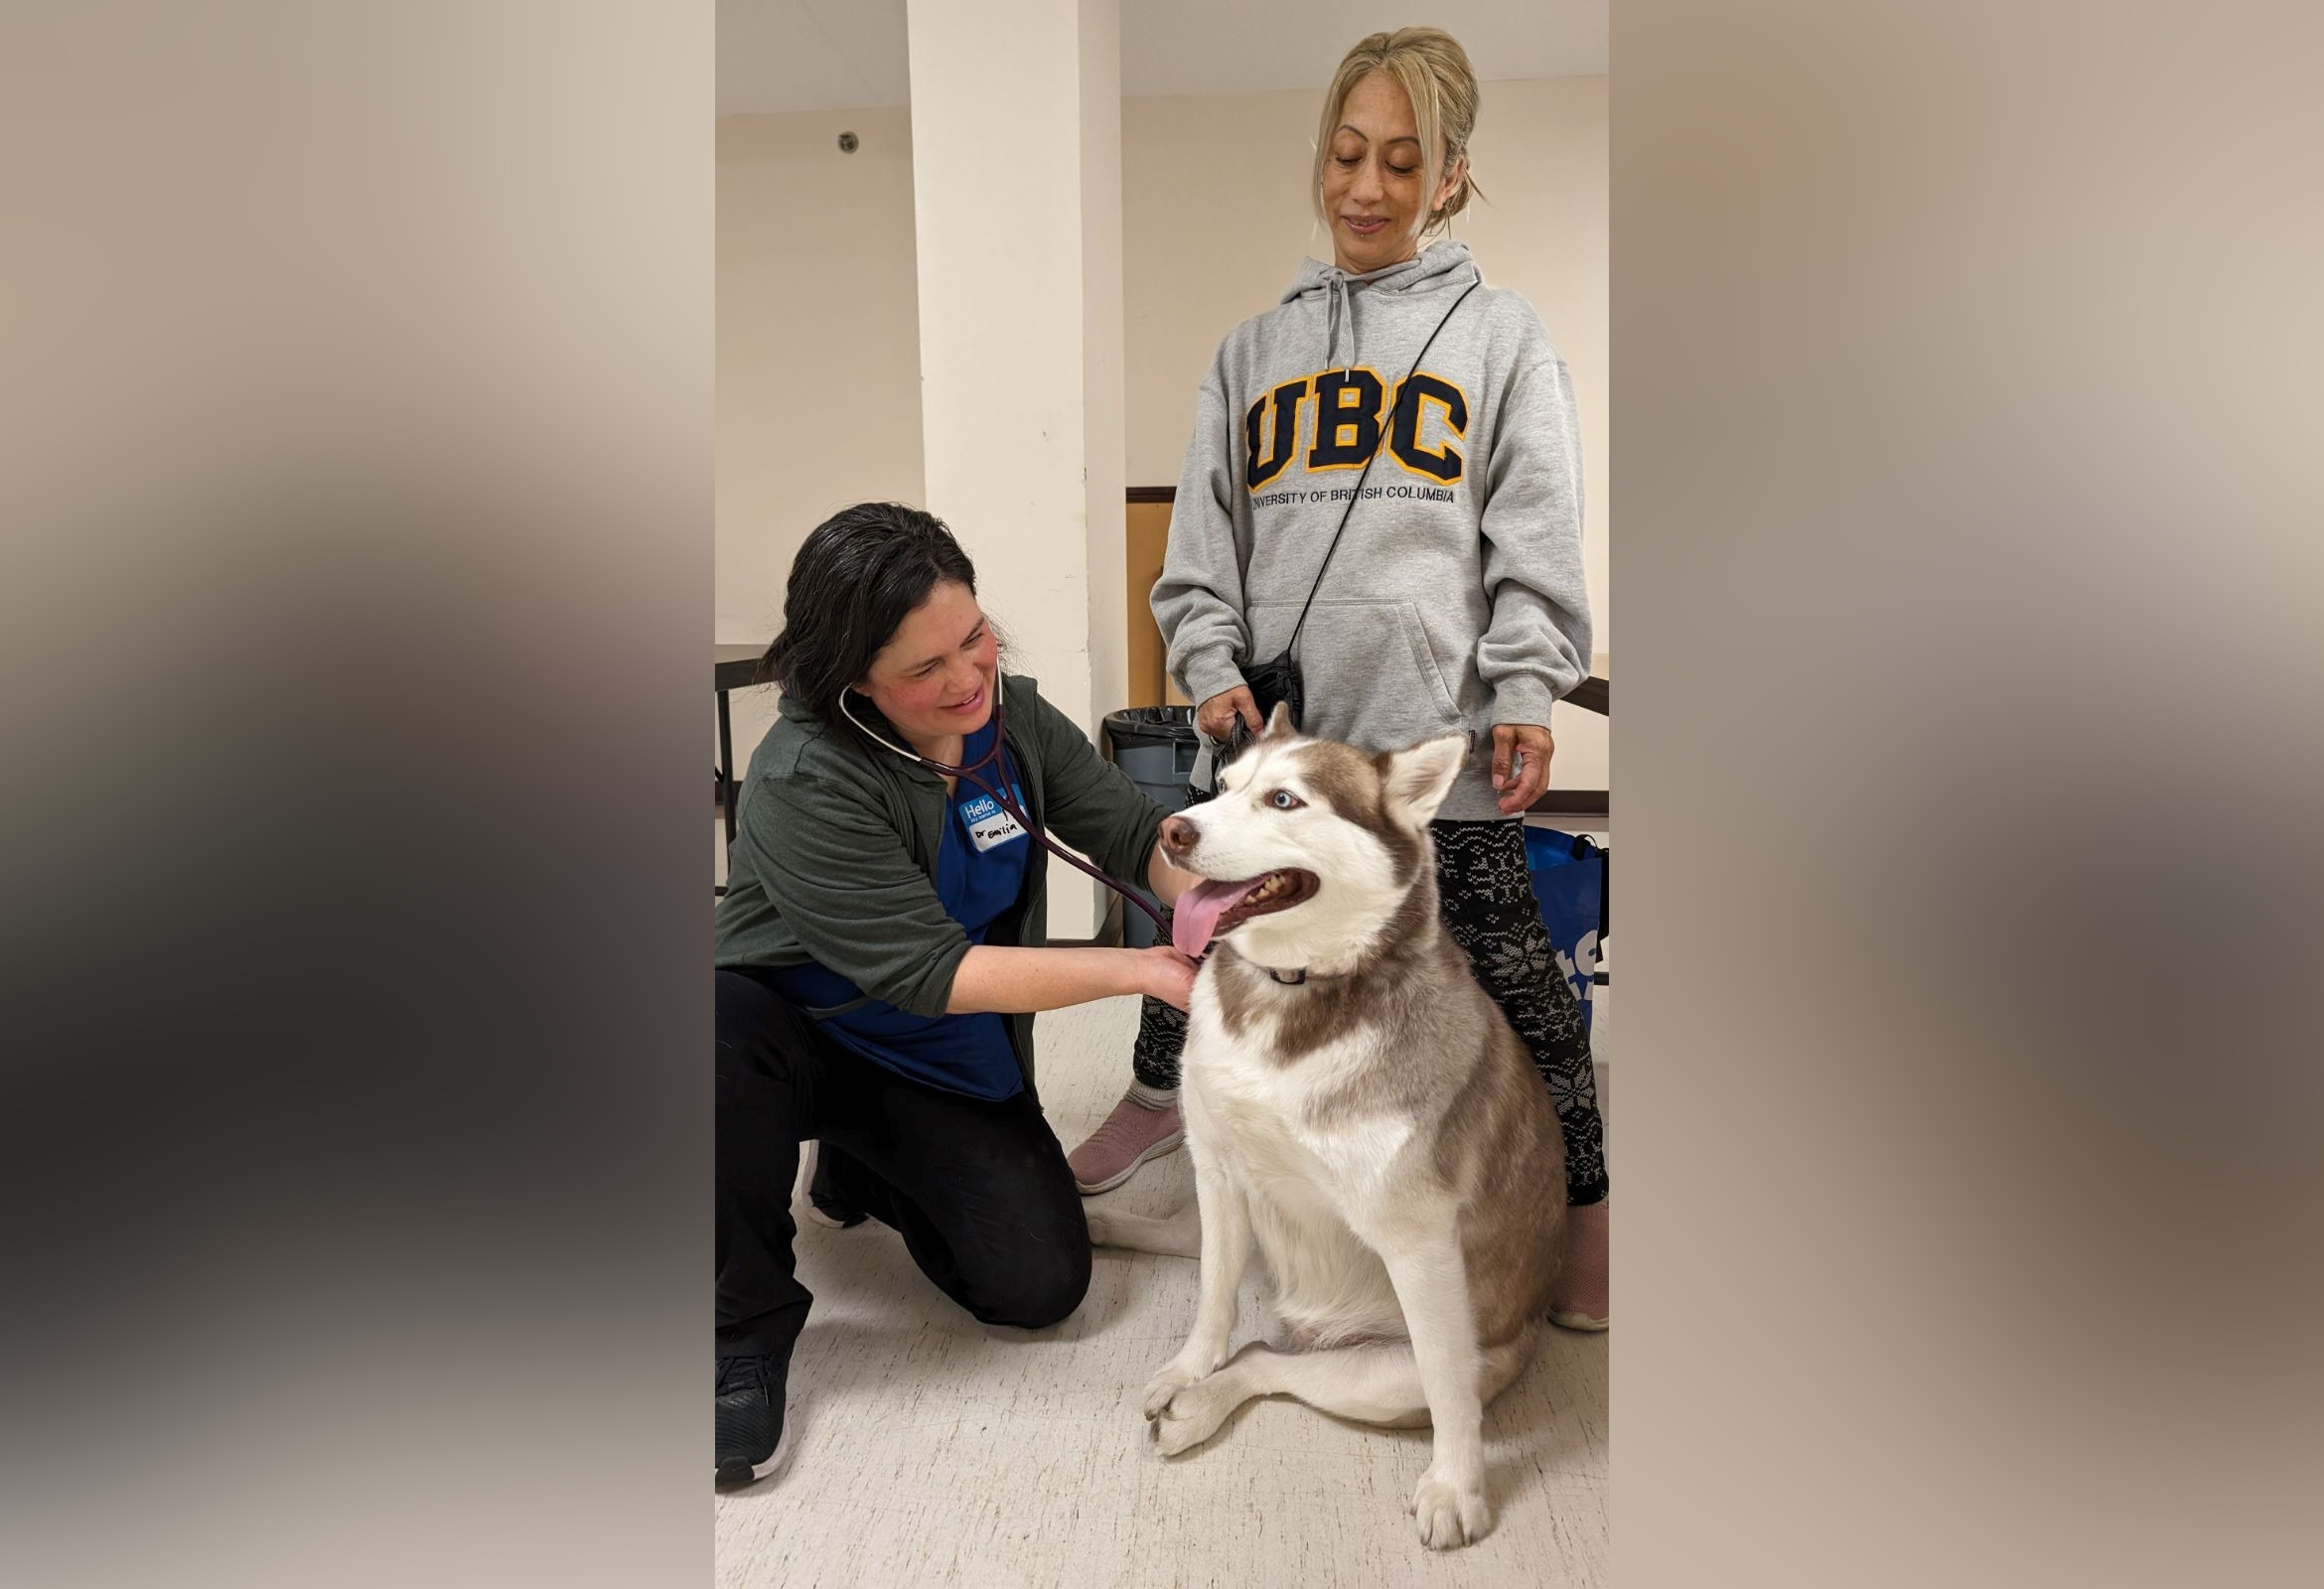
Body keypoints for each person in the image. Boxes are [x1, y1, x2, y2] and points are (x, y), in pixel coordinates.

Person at [1063, 28, 1611, 1329]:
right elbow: (1201, 550)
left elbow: (1534, 532)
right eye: (1347, 153)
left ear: (1452, 178)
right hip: (1276, 742)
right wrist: (1204, 664)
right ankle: (1153, 1102)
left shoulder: (1502, 339)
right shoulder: (1252, 353)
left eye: (1401, 162)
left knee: (1513, 971)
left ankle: (1585, 1203)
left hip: (1434, 745)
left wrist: (1526, 688)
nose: (1364, 187)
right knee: (1204, 927)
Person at [714, 502, 1201, 1488]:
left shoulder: (1009, 716)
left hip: (935, 1048)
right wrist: (1147, 969)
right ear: (851, 678)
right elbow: (929, 972)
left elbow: (1131, 830)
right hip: (795, 1028)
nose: (968, 676)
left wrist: (1215, 897)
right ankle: (737, 1338)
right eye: (924, 669)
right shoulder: (801, 776)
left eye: (972, 636)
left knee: (1039, 1284)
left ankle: (858, 1170)